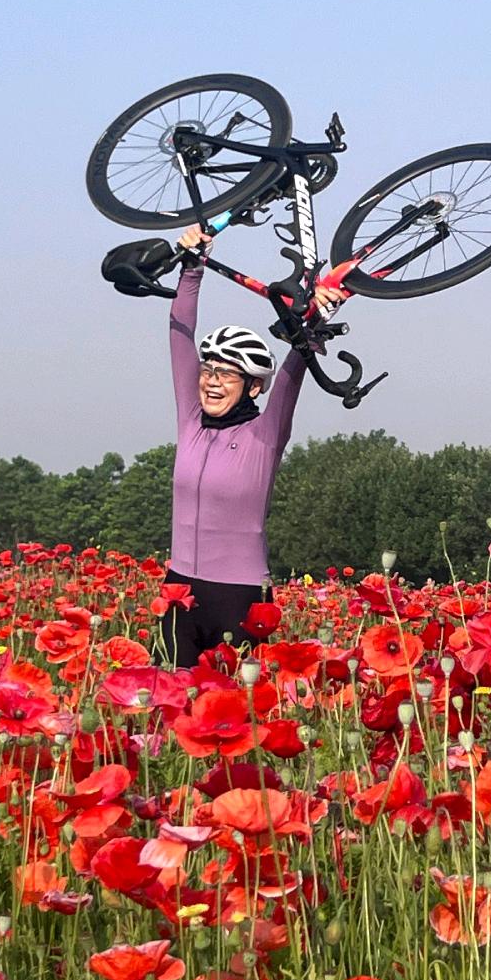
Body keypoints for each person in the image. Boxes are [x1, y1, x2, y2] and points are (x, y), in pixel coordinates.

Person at [159, 224, 345, 668]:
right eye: (208, 371)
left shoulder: (264, 435)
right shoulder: (191, 423)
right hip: (179, 586)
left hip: (239, 596)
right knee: (164, 715)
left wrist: (317, 313)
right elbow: (179, 336)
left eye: (226, 374)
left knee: (242, 718)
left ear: (254, 387)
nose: (211, 381)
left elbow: (296, 364)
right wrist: (192, 266)